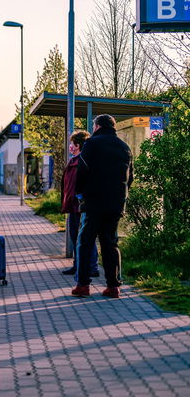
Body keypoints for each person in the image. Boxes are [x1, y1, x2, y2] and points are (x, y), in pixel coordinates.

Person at [72, 114, 133, 299]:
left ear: (97, 126)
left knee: (85, 242)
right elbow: (130, 178)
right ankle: (113, 287)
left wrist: (80, 194)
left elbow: (82, 170)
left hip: (93, 202)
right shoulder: (125, 147)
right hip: (115, 204)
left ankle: (83, 286)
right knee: (110, 244)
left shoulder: (92, 144)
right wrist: (120, 196)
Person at [60, 130, 99, 277]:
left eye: (72, 143)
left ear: (77, 145)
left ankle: (92, 267)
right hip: (73, 205)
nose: (70, 146)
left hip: (81, 206)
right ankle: (78, 265)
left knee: (85, 237)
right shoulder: (73, 161)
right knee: (75, 237)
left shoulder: (82, 161)